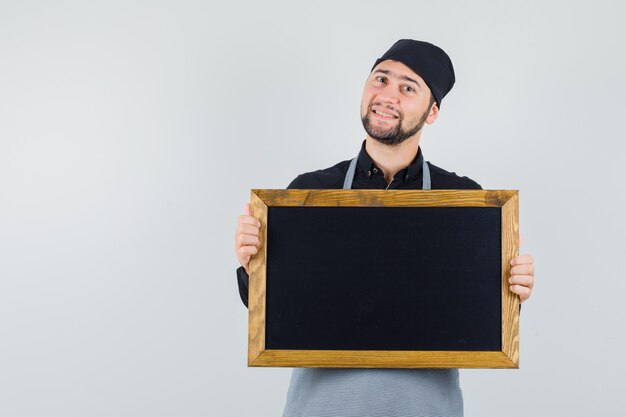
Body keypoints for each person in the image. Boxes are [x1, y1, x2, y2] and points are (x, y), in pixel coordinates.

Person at [234, 39, 535, 417]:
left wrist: (512, 289)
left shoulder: (465, 201)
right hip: (322, 407)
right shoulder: (307, 193)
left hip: (425, 409)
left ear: (432, 112)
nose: (387, 95)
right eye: (380, 79)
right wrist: (252, 265)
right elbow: (270, 310)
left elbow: (479, 318)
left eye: (408, 87)